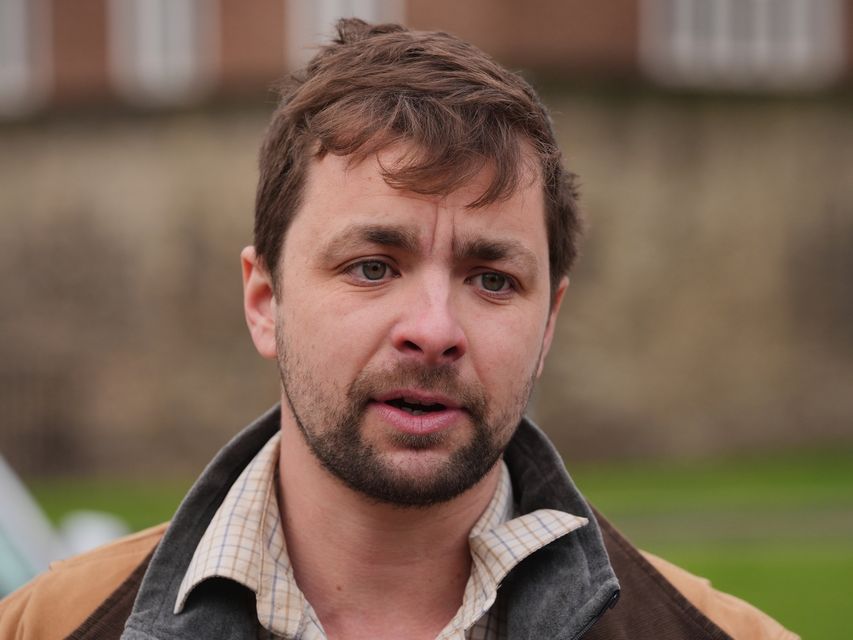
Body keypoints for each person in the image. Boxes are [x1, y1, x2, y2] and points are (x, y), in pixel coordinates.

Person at [0, 18, 797, 640]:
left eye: (492, 279)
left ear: (547, 324)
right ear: (263, 301)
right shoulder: (53, 626)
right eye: (372, 266)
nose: (433, 329)